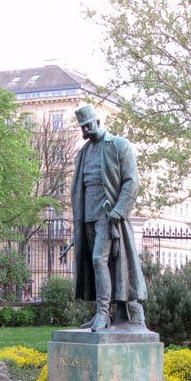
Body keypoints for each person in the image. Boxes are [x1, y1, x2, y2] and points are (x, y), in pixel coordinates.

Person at [68, 104, 148, 331]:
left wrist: (119, 210)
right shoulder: (83, 153)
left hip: (108, 215)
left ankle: (103, 313)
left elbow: (131, 182)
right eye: (81, 128)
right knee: (96, 263)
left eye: (87, 126)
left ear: (97, 121)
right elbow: (79, 187)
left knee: (98, 260)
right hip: (87, 215)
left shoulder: (120, 145)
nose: (85, 132)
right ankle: (104, 313)